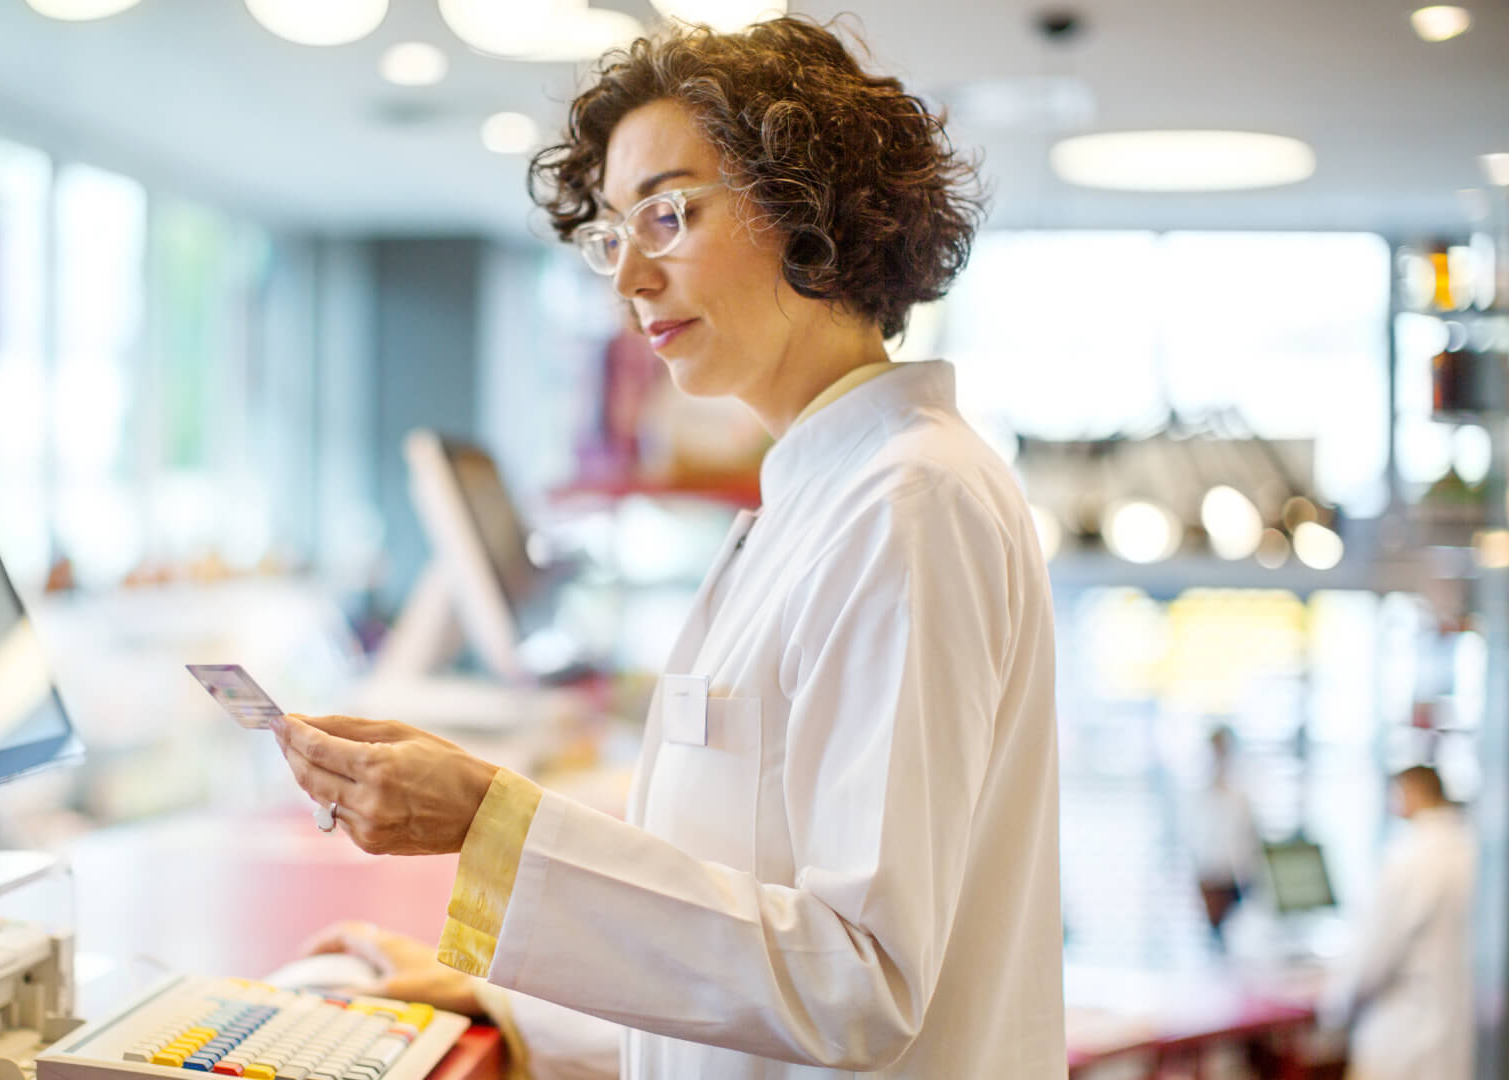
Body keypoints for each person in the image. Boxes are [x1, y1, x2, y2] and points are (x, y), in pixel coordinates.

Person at [270, 17, 1064, 1079]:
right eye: (613, 234)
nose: (628, 278)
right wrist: (515, 1008)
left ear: (808, 207)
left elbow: (859, 984)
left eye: (670, 214)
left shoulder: (908, 502)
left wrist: (495, 825)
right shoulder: (826, 497)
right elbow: (745, 947)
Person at [1325, 765, 1476, 1080]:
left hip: (1403, 1035)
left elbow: (1373, 957)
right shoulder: (1470, 849)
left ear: (1410, 793)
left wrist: (1335, 1009)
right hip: (1454, 1031)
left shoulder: (1409, 857)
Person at [1191, 726, 1259, 947]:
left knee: (1235, 936)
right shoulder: (1200, 796)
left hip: (1236, 878)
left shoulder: (1241, 797)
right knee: (1214, 942)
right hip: (1210, 874)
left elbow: (1248, 843)